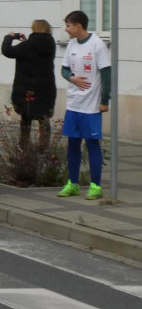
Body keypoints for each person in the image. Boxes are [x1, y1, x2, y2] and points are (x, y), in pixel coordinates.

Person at [58, 10, 111, 200]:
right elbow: (64, 70)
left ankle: (95, 186)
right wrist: (72, 78)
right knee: (72, 144)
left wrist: (105, 100)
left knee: (92, 144)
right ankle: (72, 184)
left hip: (91, 105)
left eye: (68, 25)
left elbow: (106, 74)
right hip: (74, 104)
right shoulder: (72, 44)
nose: (66, 29)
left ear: (78, 25)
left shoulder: (97, 45)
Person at [1, 20, 57, 146]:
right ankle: (44, 148)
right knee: (44, 118)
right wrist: (26, 43)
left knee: (26, 117)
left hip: (27, 90)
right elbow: (35, 51)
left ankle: (24, 147)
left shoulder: (28, 45)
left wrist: (9, 37)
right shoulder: (51, 43)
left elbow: (7, 51)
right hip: (46, 89)